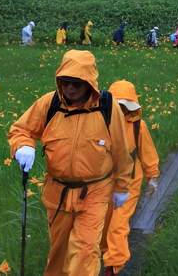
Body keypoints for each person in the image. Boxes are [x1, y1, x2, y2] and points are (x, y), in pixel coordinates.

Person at [8, 49, 132, 276]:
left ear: (90, 83)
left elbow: (121, 150)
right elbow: (20, 130)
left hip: (95, 192)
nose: (70, 88)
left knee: (85, 252)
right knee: (59, 253)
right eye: (65, 82)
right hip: (57, 193)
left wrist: (123, 187)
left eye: (77, 83)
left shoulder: (107, 106)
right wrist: (23, 146)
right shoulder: (49, 103)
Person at [101, 80, 160, 276]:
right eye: (116, 104)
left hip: (129, 183)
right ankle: (102, 254)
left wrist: (152, 177)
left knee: (118, 225)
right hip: (101, 183)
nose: (120, 108)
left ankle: (112, 267)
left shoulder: (138, 126)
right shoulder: (99, 123)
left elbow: (147, 152)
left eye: (124, 105)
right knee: (103, 223)